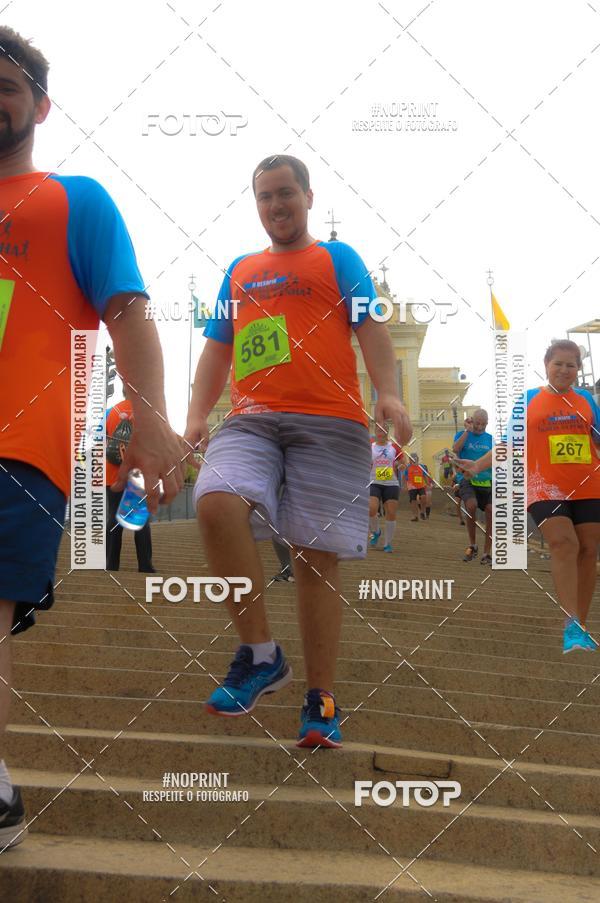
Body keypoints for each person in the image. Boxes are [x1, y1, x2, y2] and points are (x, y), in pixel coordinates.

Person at [0, 28, 185, 849]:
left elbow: (128, 312)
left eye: (8, 86)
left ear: (39, 106)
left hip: (18, 447)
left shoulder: (75, 200)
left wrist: (150, 421)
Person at [185, 153, 412, 749]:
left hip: (329, 422)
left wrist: (388, 392)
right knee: (214, 501)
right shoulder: (240, 270)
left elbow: (372, 327)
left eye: (286, 192)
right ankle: (261, 653)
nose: (276, 204)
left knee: (315, 560)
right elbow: (217, 349)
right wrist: (194, 415)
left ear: (308, 196)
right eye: (265, 196)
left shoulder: (338, 258)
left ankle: (321, 699)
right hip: (252, 419)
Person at [459, 341, 600, 652]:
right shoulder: (529, 400)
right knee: (564, 543)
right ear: (546, 364)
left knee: (589, 550)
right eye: (558, 363)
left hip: (588, 483)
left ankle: (581, 626)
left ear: (578, 369)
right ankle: (570, 622)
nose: (564, 370)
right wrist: (478, 465)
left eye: (571, 365)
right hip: (543, 485)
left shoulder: (587, 400)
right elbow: (509, 444)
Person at [105, 385, 155, 573]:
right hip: (137, 473)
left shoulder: (111, 412)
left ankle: (111, 565)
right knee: (140, 520)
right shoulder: (145, 412)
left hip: (113, 473)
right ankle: (145, 565)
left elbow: (104, 439)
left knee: (113, 518)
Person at [453, 411, 493, 564]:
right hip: (467, 479)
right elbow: (455, 449)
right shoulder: (462, 434)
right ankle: (473, 544)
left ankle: (486, 553)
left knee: (491, 512)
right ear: (471, 421)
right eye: (477, 423)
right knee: (471, 505)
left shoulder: (490, 439)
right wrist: (467, 431)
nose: (480, 427)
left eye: (483, 424)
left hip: (487, 481)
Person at [369, 424, 402, 552]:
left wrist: (401, 465)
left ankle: (387, 543)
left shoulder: (394, 447)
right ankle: (376, 531)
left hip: (391, 483)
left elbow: (402, 461)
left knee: (391, 512)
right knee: (371, 509)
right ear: (375, 432)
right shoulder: (370, 446)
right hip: (374, 481)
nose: (381, 433)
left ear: (387, 432)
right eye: (379, 431)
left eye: (383, 431)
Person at [405, 453, 426, 521]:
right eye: (411, 458)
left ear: (417, 459)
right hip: (411, 486)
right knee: (413, 501)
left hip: (421, 485)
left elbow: (425, 475)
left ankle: (422, 512)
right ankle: (415, 516)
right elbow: (404, 477)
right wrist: (405, 486)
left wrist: (428, 484)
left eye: (415, 458)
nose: (413, 459)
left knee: (423, 497)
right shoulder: (408, 467)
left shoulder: (422, 466)